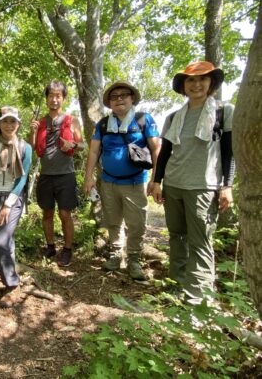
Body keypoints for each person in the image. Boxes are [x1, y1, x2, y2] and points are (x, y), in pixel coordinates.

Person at [150, 61, 235, 304]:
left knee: (201, 242)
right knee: (177, 237)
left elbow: (229, 151)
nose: (196, 84)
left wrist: (227, 185)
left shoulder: (223, 111)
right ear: (183, 85)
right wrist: (157, 182)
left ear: (211, 83)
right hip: (174, 184)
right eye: (191, 80)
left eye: (202, 79)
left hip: (203, 187)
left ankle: (198, 299)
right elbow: (165, 153)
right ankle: (176, 287)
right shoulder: (173, 117)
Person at [84, 81, 161, 280]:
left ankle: (134, 259)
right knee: (113, 221)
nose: (119, 99)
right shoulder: (103, 124)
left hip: (135, 182)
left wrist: (156, 179)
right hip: (109, 182)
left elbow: (156, 149)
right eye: (114, 96)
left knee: (137, 223)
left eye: (123, 95)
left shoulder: (143, 120)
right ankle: (116, 254)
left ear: (132, 98)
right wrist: (88, 178)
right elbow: (94, 151)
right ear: (109, 102)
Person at [28, 81, 84, 267]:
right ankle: (50, 246)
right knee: (47, 213)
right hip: (46, 175)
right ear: (46, 98)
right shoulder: (40, 122)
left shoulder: (71, 120)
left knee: (65, 213)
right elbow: (31, 147)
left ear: (63, 98)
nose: (54, 99)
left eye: (58, 96)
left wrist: (73, 144)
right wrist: (32, 131)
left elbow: (82, 145)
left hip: (65, 174)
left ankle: (67, 250)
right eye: (51, 95)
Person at [0, 106, 32, 308]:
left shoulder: (25, 148)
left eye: (13, 121)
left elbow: (22, 179)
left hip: (13, 199)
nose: (9, 125)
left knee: (2, 241)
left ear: (18, 124)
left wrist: (7, 205)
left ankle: (13, 286)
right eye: (5, 121)